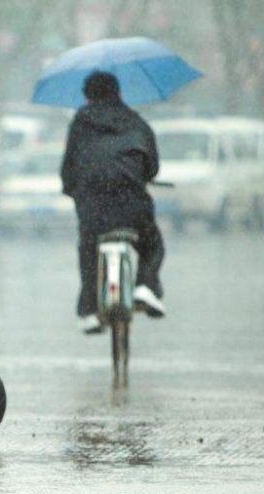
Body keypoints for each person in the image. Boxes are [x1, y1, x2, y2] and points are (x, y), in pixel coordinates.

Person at [60, 71, 166, 334]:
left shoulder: (80, 122)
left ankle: (88, 311)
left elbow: (68, 169)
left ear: (87, 96)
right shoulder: (136, 121)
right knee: (152, 244)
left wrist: (72, 190)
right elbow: (152, 168)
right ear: (119, 92)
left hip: (93, 207)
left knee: (88, 250)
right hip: (132, 206)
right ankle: (145, 285)